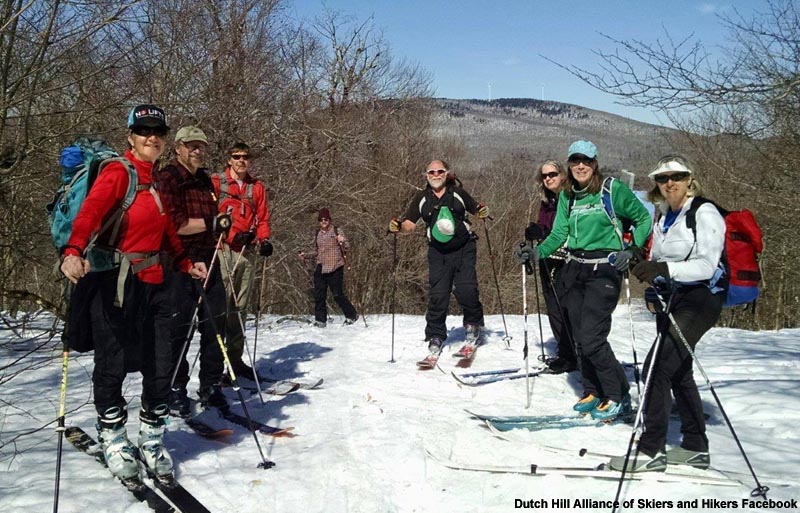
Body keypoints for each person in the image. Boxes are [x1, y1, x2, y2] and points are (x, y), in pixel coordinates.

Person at [60, 104, 207, 482]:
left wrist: (185, 261)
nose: (152, 137)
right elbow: (90, 213)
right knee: (112, 364)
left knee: (160, 364)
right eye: (144, 131)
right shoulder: (117, 173)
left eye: (158, 131)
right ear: (130, 136)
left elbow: (166, 230)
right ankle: (113, 438)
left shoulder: (156, 179)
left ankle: (152, 439)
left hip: (156, 284)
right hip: (115, 283)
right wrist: (73, 250)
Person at [517, 141, 651, 421]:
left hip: (605, 268)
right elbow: (558, 233)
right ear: (569, 163)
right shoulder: (568, 195)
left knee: (592, 337)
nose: (580, 166)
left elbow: (642, 219)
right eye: (575, 160)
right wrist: (536, 252)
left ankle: (617, 394)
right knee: (578, 336)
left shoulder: (612, 190)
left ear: (594, 163)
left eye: (586, 161)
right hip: (575, 267)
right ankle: (592, 390)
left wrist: (632, 249)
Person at [609, 155, 725, 472]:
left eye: (676, 176)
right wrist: (645, 270)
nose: (670, 183)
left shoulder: (705, 212)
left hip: (701, 299)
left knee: (656, 369)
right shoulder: (664, 216)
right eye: (663, 178)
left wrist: (662, 268)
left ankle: (650, 451)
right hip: (672, 299)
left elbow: (706, 265)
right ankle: (695, 447)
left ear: (690, 179)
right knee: (679, 371)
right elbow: (658, 259)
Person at [157, 126, 230, 417]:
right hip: (177, 260)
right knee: (179, 328)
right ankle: (175, 387)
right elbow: (173, 223)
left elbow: (212, 217)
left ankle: (211, 384)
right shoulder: (168, 178)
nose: (197, 151)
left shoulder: (204, 180)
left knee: (215, 322)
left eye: (201, 146)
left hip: (207, 257)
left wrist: (220, 227)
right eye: (191, 146)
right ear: (178, 147)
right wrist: (212, 224)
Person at [389, 159, 489, 360]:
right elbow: (410, 223)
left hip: (464, 247)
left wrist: (482, 212)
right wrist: (398, 226)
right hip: (438, 251)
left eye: (440, 171)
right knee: (438, 294)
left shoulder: (458, 193)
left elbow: (476, 209)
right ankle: (435, 335)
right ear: (426, 175)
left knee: (467, 289)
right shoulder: (422, 198)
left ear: (446, 173)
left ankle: (473, 326)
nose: (436, 175)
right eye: (431, 172)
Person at [212, 142, 272, 380]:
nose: (241, 161)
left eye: (245, 157)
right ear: (229, 159)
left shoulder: (256, 187)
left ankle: (234, 361)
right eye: (236, 156)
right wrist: (233, 235)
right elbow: (211, 217)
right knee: (222, 306)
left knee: (239, 309)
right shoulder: (218, 183)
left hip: (247, 252)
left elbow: (263, 217)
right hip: (223, 249)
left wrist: (264, 239)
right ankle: (214, 362)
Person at [525, 159, 576, 374]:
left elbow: (568, 231)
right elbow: (545, 228)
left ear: (562, 175)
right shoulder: (547, 202)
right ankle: (565, 354)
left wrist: (544, 234)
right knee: (553, 307)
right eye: (544, 176)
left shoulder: (570, 198)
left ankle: (574, 353)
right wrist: (535, 232)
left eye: (552, 174)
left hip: (567, 260)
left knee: (567, 307)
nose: (548, 179)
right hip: (548, 258)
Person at [299, 208, 358, 327]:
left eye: (325, 219)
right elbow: (317, 251)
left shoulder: (336, 230)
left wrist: (343, 240)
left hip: (335, 266)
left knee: (337, 294)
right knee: (319, 295)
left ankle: (351, 315)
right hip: (321, 266)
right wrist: (305, 255)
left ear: (329, 220)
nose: (323, 221)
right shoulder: (318, 234)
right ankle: (320, 320)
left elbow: (347, 246)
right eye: (321, 220)